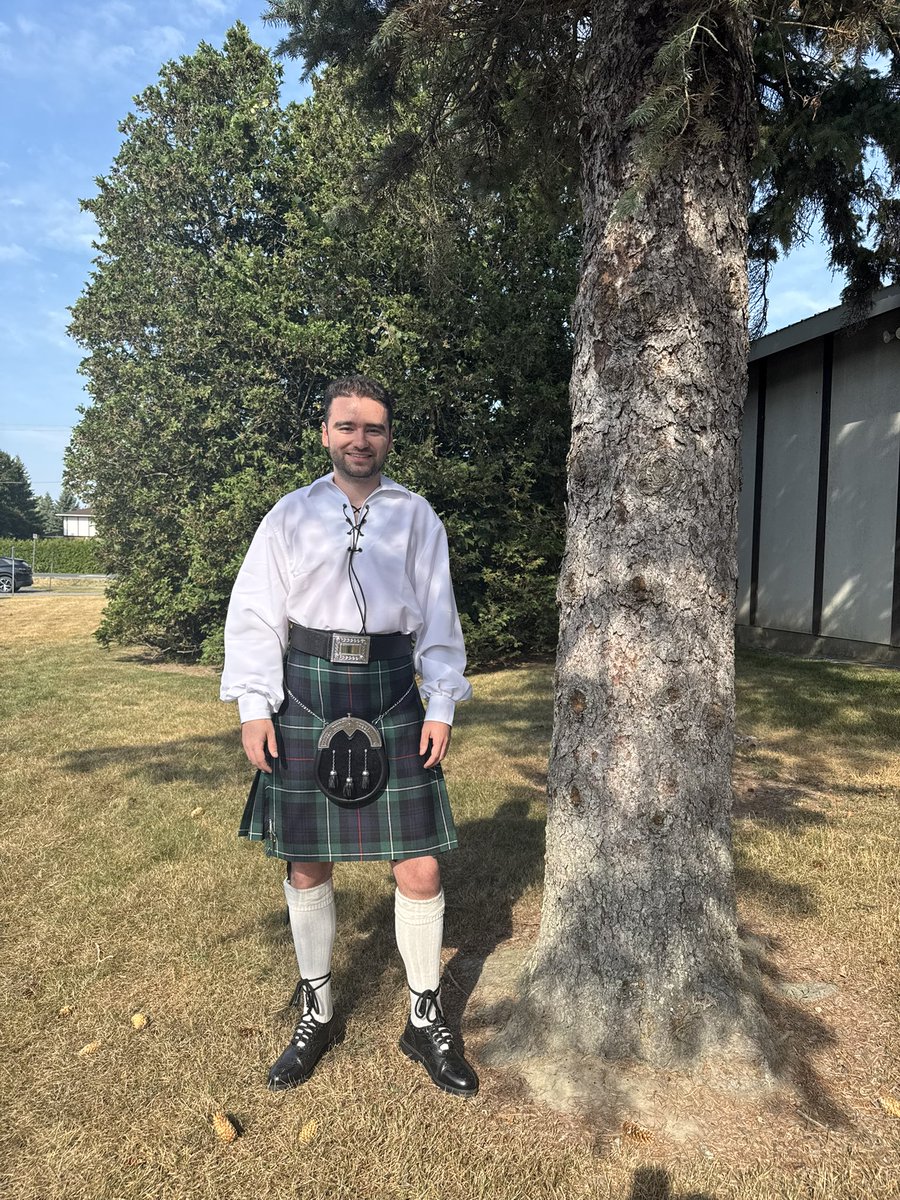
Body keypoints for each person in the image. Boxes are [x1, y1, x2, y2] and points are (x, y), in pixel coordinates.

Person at [220, 375, 478, 1097]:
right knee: (306, 864)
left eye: (374, 429)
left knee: (419, 867)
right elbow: (256, 614)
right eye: (346, 426)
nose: (359, 439)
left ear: (388, 438)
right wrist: (252, 705)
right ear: (326, 433)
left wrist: (441, 706)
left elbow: (439, 615)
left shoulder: (417, 515)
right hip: (306, 689)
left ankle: (424, 1020)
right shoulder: (290, 514)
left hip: (394, 691)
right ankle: (317, 1009)